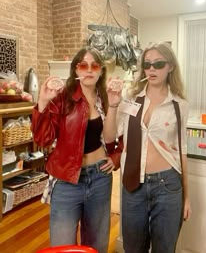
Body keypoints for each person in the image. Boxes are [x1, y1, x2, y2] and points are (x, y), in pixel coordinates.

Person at [31, 47, 122, 253]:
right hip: (66, 181)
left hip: (100, 177)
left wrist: (115, 156)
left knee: (96, 245)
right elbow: (43, 139)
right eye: (83, 65)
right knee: (63, 246)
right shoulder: (62, 97)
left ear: (100, 71)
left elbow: (116, 136)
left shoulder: (106, 98)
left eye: (94, 66)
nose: (89, 70)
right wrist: (43, 101)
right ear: (75, 70)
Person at [106, 42, 192, 253]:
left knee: (165, 248)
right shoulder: (130, 98)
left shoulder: (179, 105)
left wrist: (187, 197)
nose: (152, 69)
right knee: (134, 248)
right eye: (147, 64)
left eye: (158, 64)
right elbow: (109, 136)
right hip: (133, 184)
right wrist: (113, 104)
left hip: (168, 185)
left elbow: (182, 150)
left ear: (170, 66)